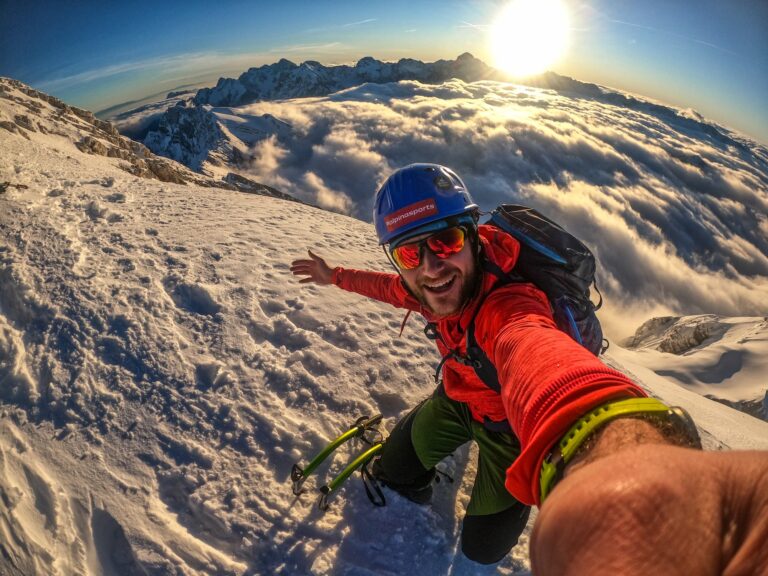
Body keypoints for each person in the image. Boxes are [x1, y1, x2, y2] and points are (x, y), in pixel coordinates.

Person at [290, 164, 768, 572]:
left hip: (510, 430)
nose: (433, 267)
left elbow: (536, 352)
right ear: (398, 261)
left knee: (481, 551)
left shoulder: (511, 305)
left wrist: (618, 452)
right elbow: (387, 288)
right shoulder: (428, 291)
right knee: (393, 473)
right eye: (411, 253)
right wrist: (334, 277)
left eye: (447, 240)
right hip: (460, 400)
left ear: (473, 237)